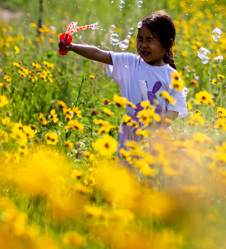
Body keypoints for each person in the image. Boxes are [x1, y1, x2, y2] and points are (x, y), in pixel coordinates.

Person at [58, 10, 188, 165]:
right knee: (127, 175)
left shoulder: (171, 75)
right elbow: (99, 54)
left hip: (158, 135)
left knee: (155, 177)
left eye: (150, 40)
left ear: (168, 43)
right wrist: (72, 47)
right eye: (140, 39)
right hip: (130, 131)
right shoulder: (130, 63)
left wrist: (155, 120)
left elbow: (174, 112)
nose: (143, 45)